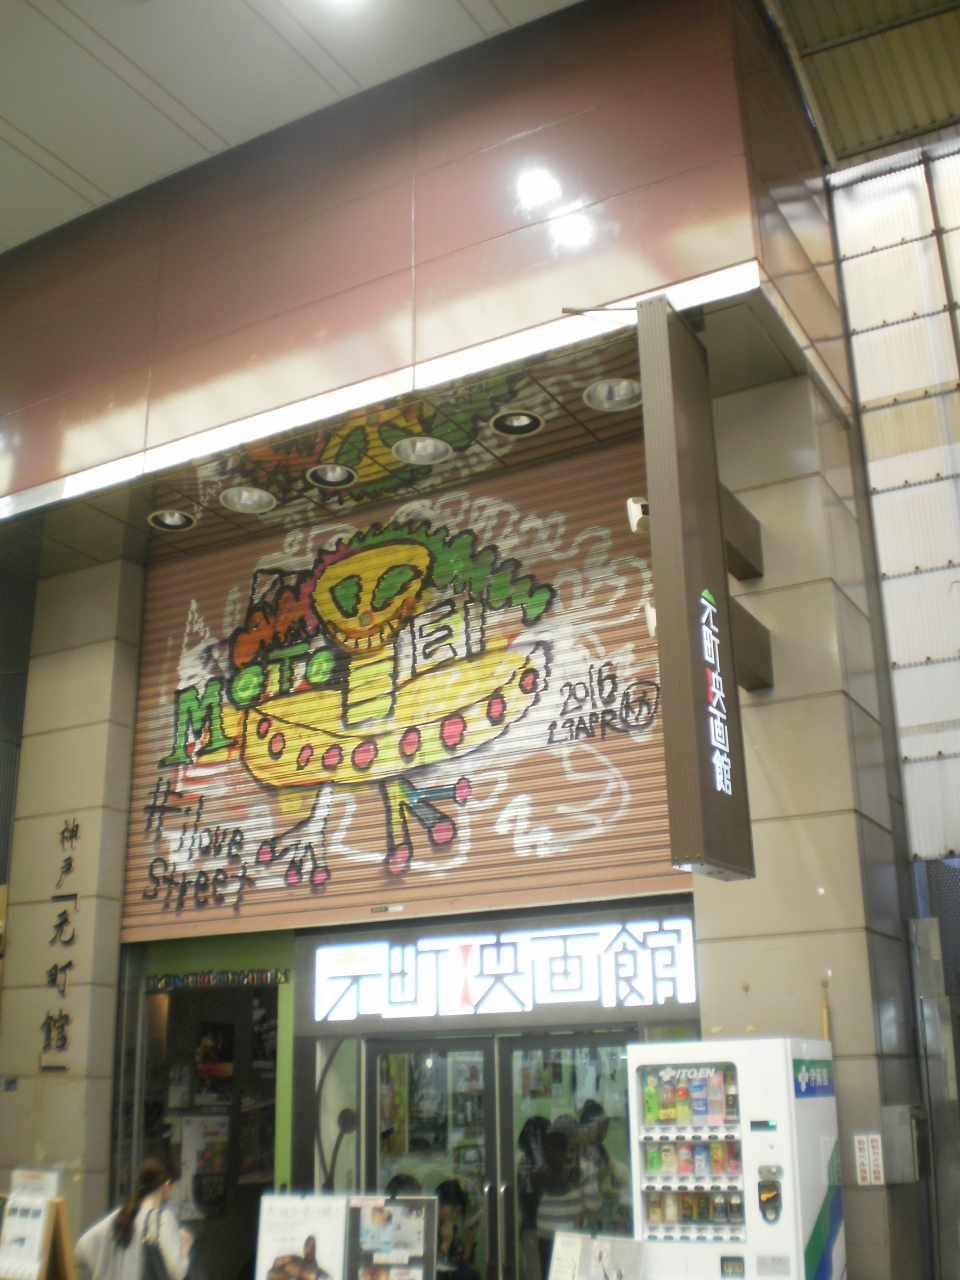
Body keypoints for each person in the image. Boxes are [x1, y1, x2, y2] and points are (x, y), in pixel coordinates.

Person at [75, 1158, 192, 1280]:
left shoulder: (121, 1214)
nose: (175, 1190)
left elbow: (82, 1248)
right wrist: (185, 1247)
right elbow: (178, 1273)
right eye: (175, 1185)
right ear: (167, 1185)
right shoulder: (163, 1219)